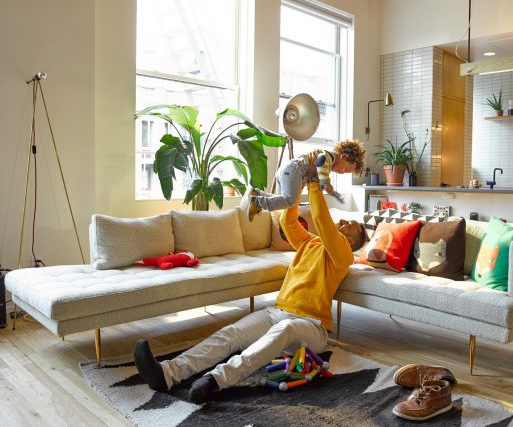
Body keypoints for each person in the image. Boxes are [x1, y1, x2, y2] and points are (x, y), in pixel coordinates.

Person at [133, 152, 368, 404]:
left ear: (352, 242)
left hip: (311, 327)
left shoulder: (342, 254)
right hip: (277, 311)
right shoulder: (311, 242)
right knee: (231, 333)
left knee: (285, 329)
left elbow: (322, 220)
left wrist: (313, 181)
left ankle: (217, 380)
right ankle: (168, 373)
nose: (343, 221)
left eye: (349, 226)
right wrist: (299, 181)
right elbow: (288, 222)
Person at [241, 139, 366, 221]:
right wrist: (326, 182)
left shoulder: (328, 165)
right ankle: (257, 202)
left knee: (282, 200)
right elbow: (321, 160)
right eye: (345, 169)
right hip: (295, 170)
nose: (342, 172)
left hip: (289, 170)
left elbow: (318, 175)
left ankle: (257, 194)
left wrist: (324, 186)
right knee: (290, 200)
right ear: (344, 156)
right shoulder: (330, 156)